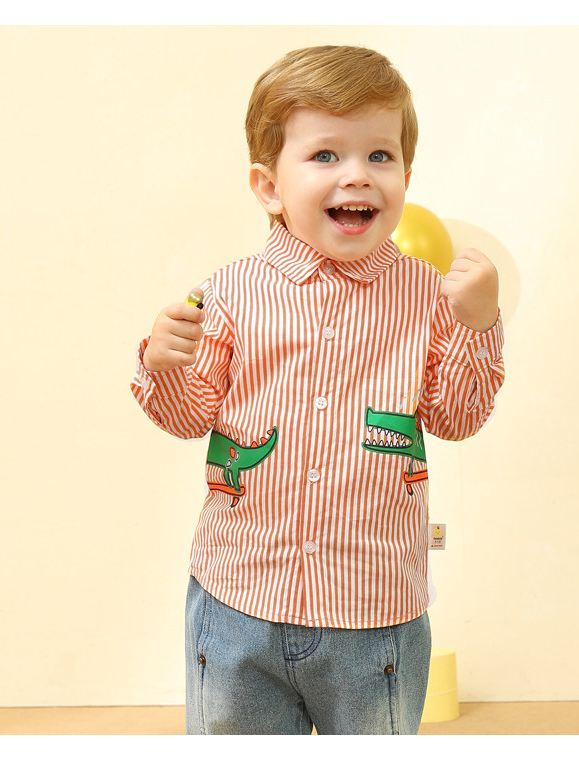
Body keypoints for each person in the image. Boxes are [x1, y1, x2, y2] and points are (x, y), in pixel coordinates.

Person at [131, 45, 505, 735]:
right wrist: (165, 362)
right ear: (269, 186)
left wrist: (477, 324)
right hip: (238, 598)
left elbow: (458, 416)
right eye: (325, 155)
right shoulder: (231, 292)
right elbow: (188, 417)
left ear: (406, 176)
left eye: (379, 155)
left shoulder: (429, 296)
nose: (356, 174)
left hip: (375, 611)